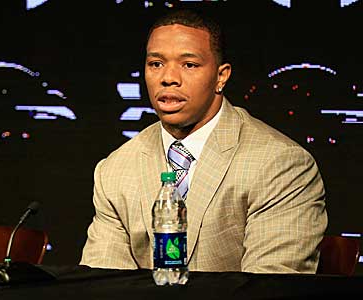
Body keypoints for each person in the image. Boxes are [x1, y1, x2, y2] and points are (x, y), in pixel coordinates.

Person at [80, 9, 327, 273]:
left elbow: (270, 286)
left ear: (221, 76)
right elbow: (102, 282)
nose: (168, 78)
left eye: (189, 65)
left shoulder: (280, 165)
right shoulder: (115, 169)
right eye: (156, 64)